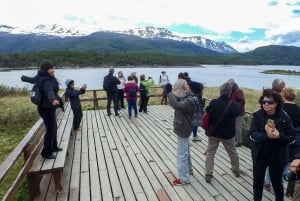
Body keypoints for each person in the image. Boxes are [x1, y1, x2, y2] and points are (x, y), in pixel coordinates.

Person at [249, 88, 295, 201]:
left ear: (276, 103)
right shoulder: (258, 115)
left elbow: (291, 138)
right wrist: (267, 136)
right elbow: (252, 135)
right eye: (264, 101)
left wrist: (279, 136)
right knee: (257, 182)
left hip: (277, 156)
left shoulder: (284, 117)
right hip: (260, 155)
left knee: (276, 183)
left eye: (269, 102)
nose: (266, 104)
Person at [21, 60, 63, 159]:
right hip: (46, 108)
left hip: (47, 108)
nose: (53, 70)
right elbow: (49, 91)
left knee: (53, 128)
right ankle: (46, 153)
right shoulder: (46, 80)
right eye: (51, 69)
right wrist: (53, 100)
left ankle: (53, 147)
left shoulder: (42, 77)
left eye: (53, 68)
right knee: (50, 129)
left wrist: (24, 78)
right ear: (46, 70)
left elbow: (32, 80)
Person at [165, 81, 203, 185]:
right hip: (185, 127)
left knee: (181, 154)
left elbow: (177, 105)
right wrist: (171, 92)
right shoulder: (191, 97)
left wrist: (168, 92)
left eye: (187, 85)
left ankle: (184, 179)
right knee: (186, 149)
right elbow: (178, 100)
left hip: (184, 127)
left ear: (190, 89)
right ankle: (189, 170)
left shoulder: (190, 100)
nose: (185, 86)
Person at [204, 82, 241, 183]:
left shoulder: (214, 102)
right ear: (230, 93)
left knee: (210, 152)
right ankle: (236, 169)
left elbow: (207, 111)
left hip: (214, 132)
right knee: (232, 152)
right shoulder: (235, 105)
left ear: (220, 91)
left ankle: (208, 173)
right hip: (228, 134)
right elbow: (238, 113)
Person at [281, 87, 300, 197]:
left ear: (283, 95)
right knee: (294, 165)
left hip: (283, 138)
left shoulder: (280, 109)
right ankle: (290, 191)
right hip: (297, 139)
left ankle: (279, 183)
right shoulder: (298, 109)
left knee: (283, 162)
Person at [227, 79, 245, 147]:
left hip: (238, 113)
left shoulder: (238, 90)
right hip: (233, 112)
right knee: (233, 126)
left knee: (237, 127)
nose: (228, 85)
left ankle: (239, 141)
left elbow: (242, 101)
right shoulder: (231, 90)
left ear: (232, 84)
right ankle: (234, 140)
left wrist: (236, 109)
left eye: (229, 84)